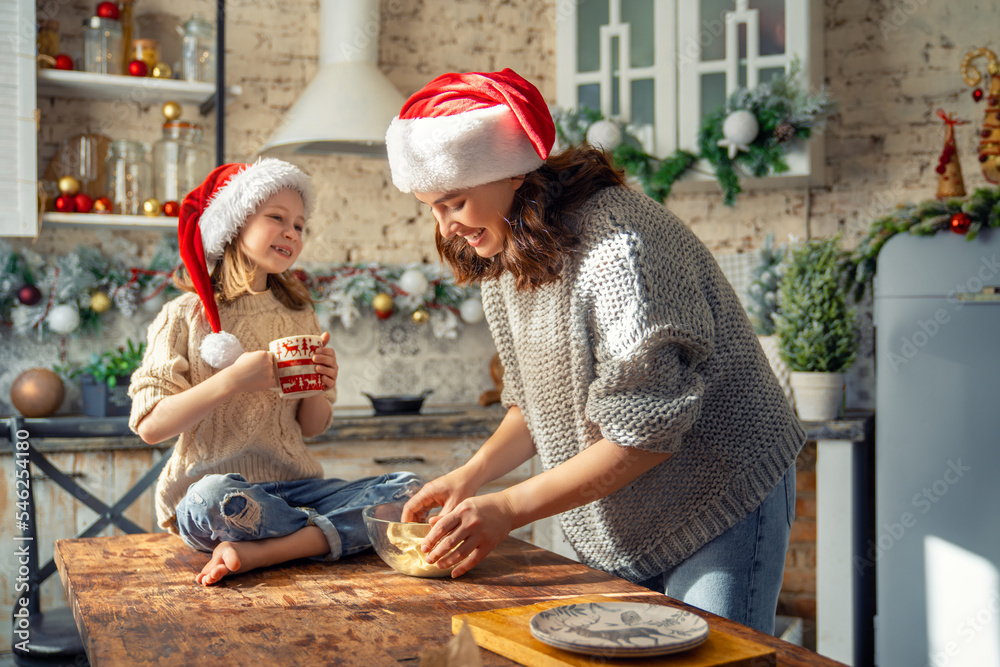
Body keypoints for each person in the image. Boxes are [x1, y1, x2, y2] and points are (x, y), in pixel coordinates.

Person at [387, 69, 805, 634]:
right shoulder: (506, 255)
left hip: (720, 493)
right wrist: (472, 475)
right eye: (430, 206)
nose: (446, 225)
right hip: (629, 511)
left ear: (510, 172)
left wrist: (507, 509)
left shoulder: (617, 248)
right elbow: (537, 404)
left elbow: (643, 432)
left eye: (454, 201)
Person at [128, 158, 421, 586]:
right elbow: (151, 426)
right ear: (234, 223)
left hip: (294, 488)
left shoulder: (299, 315)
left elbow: (313, 427)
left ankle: (266, 551)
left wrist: (319, 386)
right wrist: (231, 381)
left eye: (300, 225)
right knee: (213, 498)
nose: (291, 232)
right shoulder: (183, 316)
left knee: (408, 492)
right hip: (217, 498)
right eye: (277, 218)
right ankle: (316, 534)